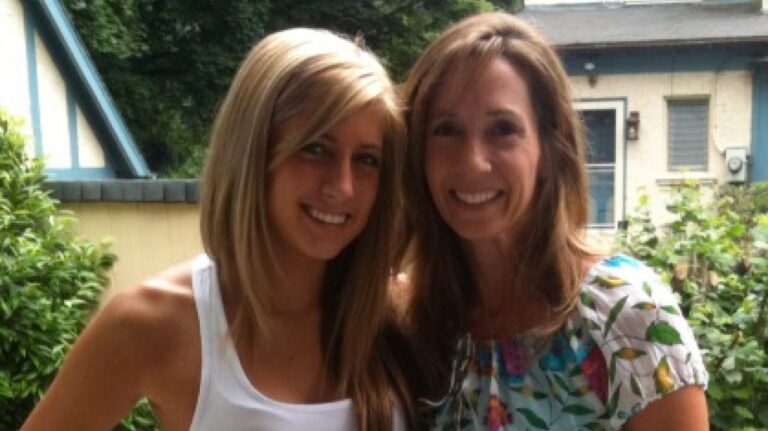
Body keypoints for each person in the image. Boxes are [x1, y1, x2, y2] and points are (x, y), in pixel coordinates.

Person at [22, 28, 412, 431]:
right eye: (315, 148)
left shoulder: (396, 315)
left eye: (366, 160)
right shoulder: (151, 321)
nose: (343, 186)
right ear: (251, 151)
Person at [398, 12, 709, 430]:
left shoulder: (627, 316)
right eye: (446, 130)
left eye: (503, 129)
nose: (472, 161)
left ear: (547, 150)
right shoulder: (411, 323)